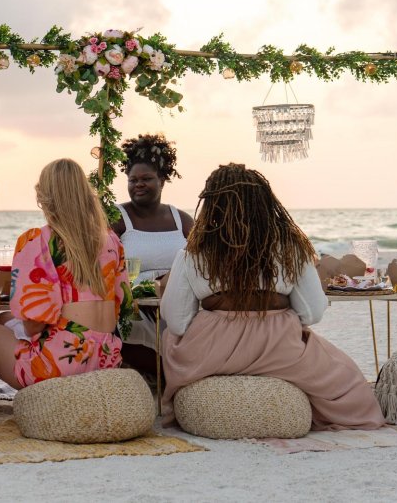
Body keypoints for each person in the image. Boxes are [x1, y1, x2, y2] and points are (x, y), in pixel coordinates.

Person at [160, 163, 384, 430]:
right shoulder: (290, 250)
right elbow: (312, 313)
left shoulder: (191, 254)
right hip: (280, 349)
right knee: (347, 379)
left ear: (211, 206)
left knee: (169, 337)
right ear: (265, 204)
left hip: (211, 352)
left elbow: (177, 321)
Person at [0, 158, 132, 395]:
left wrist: (23, 327)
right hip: (104, 357)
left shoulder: (39, 240)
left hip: (60, 364)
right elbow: (122, 302)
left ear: (44, 198)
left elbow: (33, 324)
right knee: (3, 319)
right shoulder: (111, 240)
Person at [110, 133, 193, 375]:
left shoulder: (182, 220)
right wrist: (149, 288)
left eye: (146, 178)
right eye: (132, 180)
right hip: (134, 303)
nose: (138, 184)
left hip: (176, 302)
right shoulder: (116, 218)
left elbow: (203, 261)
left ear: (162, 180)